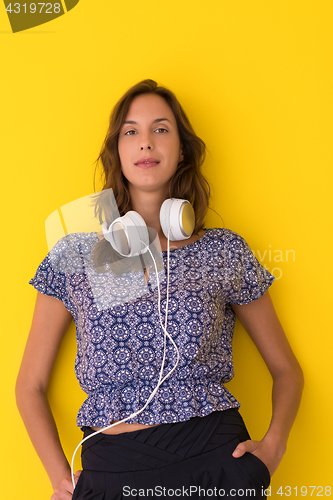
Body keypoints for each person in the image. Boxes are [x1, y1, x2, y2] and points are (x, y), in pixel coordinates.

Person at [16, 79, 304, 500]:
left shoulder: (223, 250)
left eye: (161, 129)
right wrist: (61, 480)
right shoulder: (75, 255)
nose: (145, 143)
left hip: (215, 464)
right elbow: (29, 385)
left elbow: (286, 369)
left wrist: (273, 449)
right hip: (111, 471)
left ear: (182, 148)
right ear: (118, 150)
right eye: (130, 132)